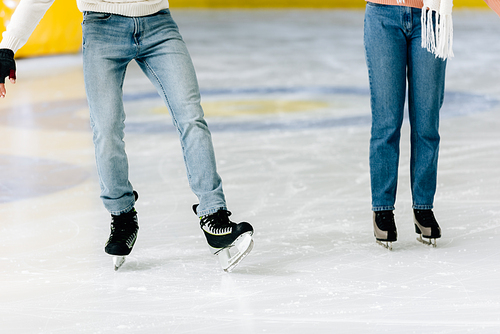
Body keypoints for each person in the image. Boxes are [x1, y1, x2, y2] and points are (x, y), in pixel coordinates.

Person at [0, 0, 254, 272]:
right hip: (101, 29)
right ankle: (122, 216)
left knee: (191, 116)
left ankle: (213, 214)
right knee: (106, 128)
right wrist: (7, 48)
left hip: (158, 24)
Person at [364, 0, 500, 249]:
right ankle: (382, 209)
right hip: (383, 15)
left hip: (431, 17)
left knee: (427, 122)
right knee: (386, 122)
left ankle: (423, 207)